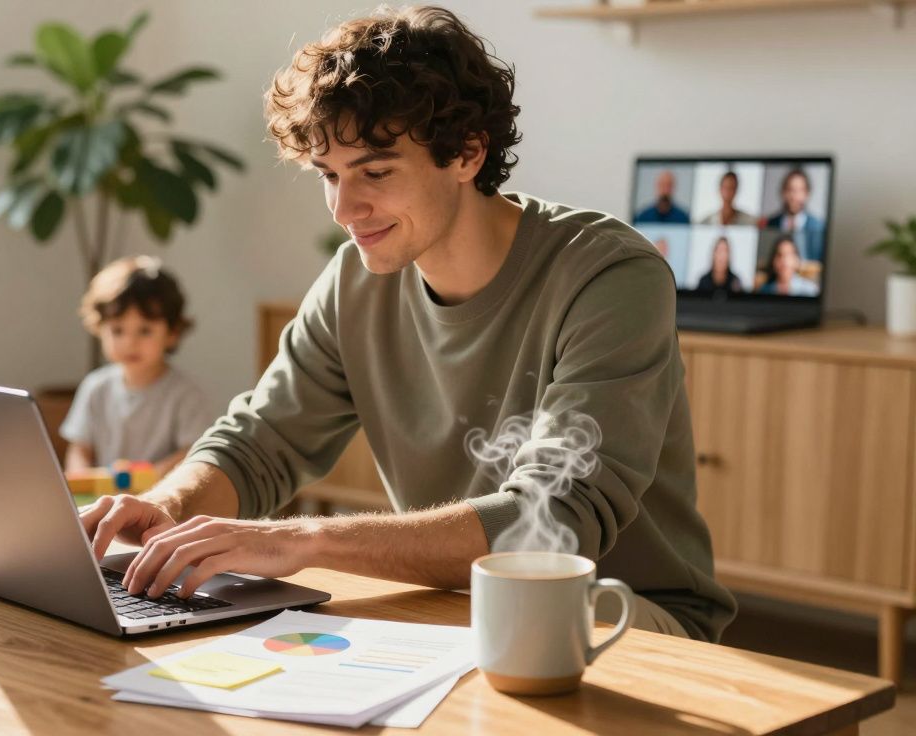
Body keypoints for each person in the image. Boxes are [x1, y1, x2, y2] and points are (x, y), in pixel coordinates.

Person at [80, 6, 735, 643]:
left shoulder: (608, 276)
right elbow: (260, 441)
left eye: (376, 171)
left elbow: (551, 522)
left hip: (616, 615)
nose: (344, 207)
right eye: (328, 175)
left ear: (468, 152)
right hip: (449, 608)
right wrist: (166, 506)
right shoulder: (354, 281)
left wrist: (302, 540)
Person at [60, 256, 217, 477]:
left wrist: (148, 476)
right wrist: (82, 477)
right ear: (99, 328)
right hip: (104, 501)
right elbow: (80, 448)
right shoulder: (95, 387)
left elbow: (194, 453)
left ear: (172, 333)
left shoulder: (186, 394)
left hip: (160, 500)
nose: (129, 343)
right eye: (117, 330)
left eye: (145, 330)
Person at [761, 169, 825, 263]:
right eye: (790, 190)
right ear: (783, 192)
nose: (794, 196)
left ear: (807, 194)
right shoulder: (771, 223)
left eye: (799, 190)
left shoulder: (819, 226)